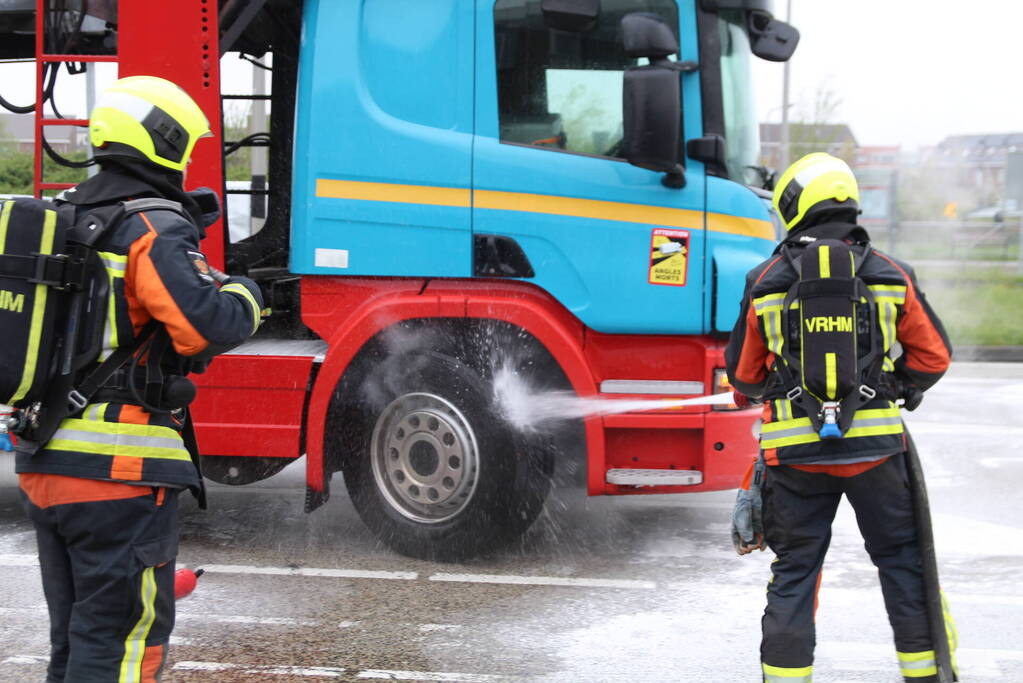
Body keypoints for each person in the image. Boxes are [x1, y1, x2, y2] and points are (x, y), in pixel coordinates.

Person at [15, 76, 264, 682]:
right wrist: (247, 293)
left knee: (77, 643)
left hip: (48, 465)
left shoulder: (67, 215)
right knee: (126, 643)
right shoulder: (152, 226)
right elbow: (204, 327)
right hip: (118, 474)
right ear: (164, 142)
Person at [725, 153, 953, 682]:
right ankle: (922, 675)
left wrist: (779, 386)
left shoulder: (766, 280)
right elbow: (933, 358)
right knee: (902, 566)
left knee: (796, 572)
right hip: (877, 455)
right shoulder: (891, 274)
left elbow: (744, 376)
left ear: (795, 205)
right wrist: (897, 385)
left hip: (795, 457)